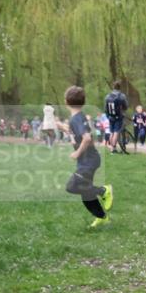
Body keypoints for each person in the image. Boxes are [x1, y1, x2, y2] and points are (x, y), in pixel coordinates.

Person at [60, 86, 113, 228]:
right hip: (88, 160)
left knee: (71, 186)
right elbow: (76, 132)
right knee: (85, 193)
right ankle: (102, 217)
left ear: (66, 101)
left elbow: (87, 138)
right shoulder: (78, 117)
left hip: (88, 161)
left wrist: (77, 153)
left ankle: (104, 191)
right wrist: (61, 126)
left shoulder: (77, 118)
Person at [104, 81, 128, 154]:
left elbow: (105, 108)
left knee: (111, 132)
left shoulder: (107, 96)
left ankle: (111, 148)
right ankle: (113, 148)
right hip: (118, 116)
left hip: (110, 117)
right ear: (119, 87)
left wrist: (108, 115)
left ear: (113, 87)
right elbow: (126, 106)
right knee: (116, 132)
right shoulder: (122, 96)